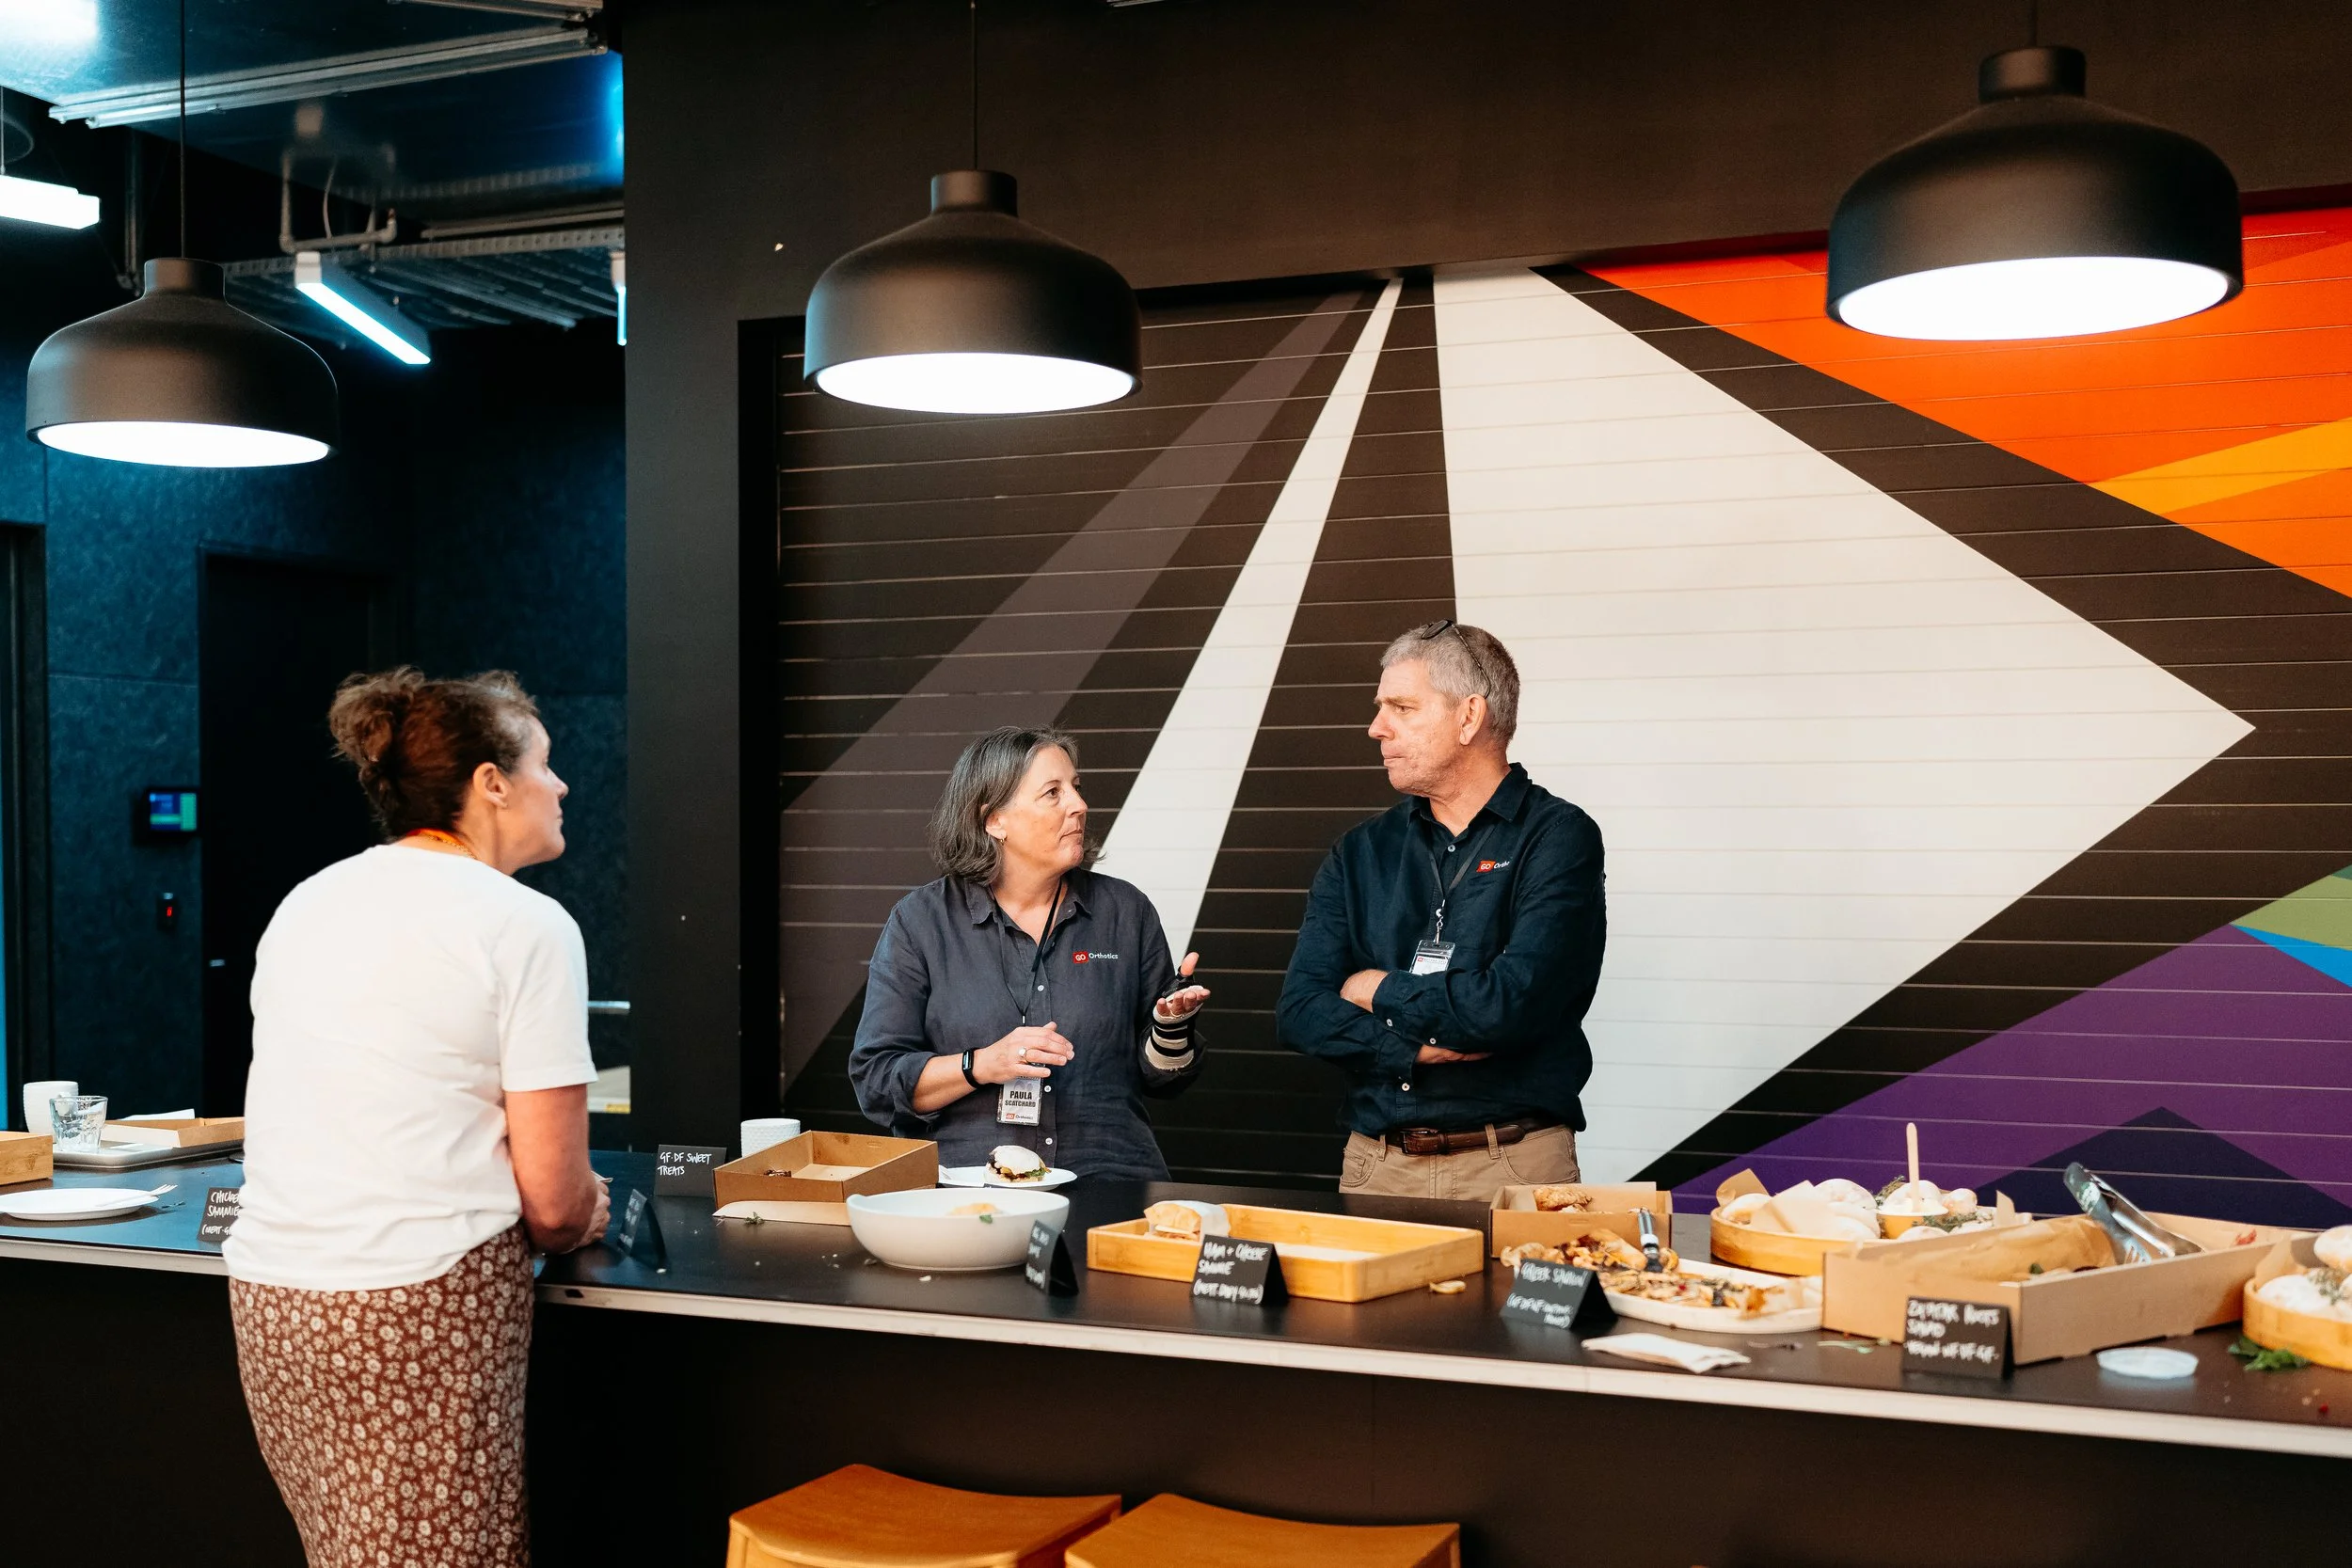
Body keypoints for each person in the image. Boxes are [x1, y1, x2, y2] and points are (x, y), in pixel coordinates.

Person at [224, 668, 610, 1568]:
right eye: (545, 764)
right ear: (489, 782)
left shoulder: (305, 902)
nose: (561, 785)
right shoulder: (526, 924)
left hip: (275, 1300)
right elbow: (554, 1205)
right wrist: (590, 1205)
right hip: (419, 1299)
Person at [1277, 621, 1605, 1202]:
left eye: (1402, 707)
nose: (1376, 728)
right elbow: (1302, 1010)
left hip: (1513, 1168)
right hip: (1377, 1166)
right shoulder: (1360, 852)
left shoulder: (1559, 837)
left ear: (1469, 717)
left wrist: (1373, 987)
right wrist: (1412, 1049)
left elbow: (1510, 1005)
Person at [850, 725, 1209, 1180]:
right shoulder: (921, 921)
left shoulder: (1125, 911)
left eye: (1076, 788)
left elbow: (1163, 1079)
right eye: (1052, 793)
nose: (1079, 806)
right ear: (993, 820)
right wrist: (980, 1064)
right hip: (969, 1189)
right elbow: (877, 1081)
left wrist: (1170, 1030)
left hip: (1109, 1180)